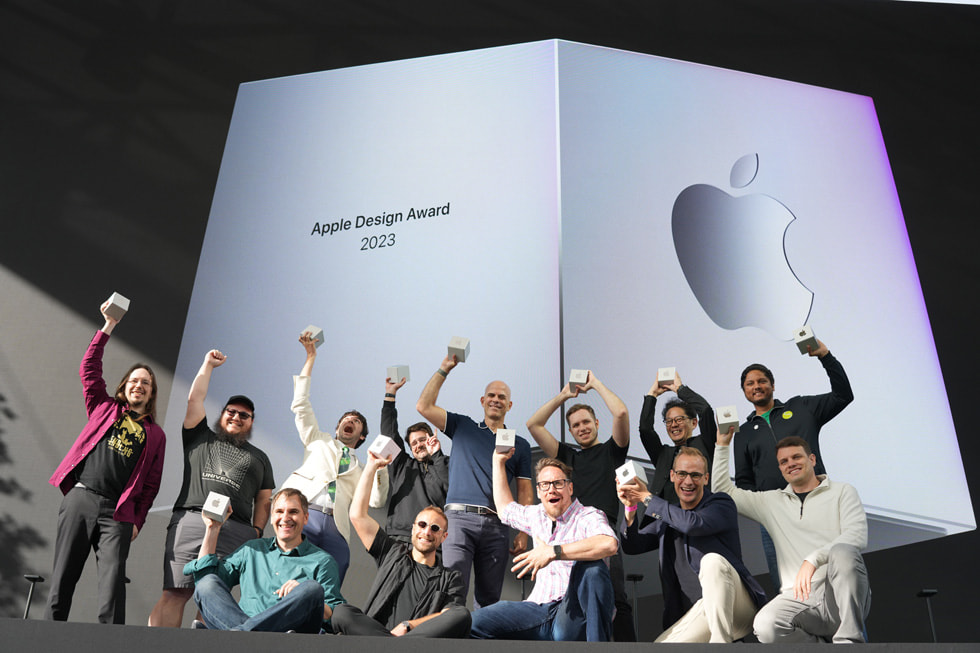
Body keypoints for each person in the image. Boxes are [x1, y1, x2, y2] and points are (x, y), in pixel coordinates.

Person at [46, 299, 166, 623]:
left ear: (151, 393)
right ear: (124, 387)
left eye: (146, 383)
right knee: (62, 580)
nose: (139, 385)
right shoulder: (104, 408)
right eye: (134, 380)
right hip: (80, 498)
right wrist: (108, 326)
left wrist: (138, 520)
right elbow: (89, 369)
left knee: (112, 589)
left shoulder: (155, 435)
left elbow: (151, 485)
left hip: (118, 513)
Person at [148, 349, 275, 627]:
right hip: (191, 520)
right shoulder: (199, 435)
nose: (237, 417)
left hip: (235, 529)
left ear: (251, 422)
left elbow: (264, 500)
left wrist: (256, 531)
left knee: (213, 596)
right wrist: (207, 365)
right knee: (175, 591)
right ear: (222, 414)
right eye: (232, 411)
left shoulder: (260, 457)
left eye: (245, 415)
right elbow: (195, 398)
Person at [712, 432, 870, 643]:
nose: (791, 464)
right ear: (780, 468)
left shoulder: (842, 491)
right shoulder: (771, 502)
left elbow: (856, 535)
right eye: (784, 461)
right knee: (765, 625)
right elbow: (723, 491)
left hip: (839, 593)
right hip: (800, 597)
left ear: (812, 459)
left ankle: (849, 642)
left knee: (843, 552)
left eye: (797, 457)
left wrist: (814, 559)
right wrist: (722, 444)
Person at [416, 352, 533, 608]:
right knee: (451, 592)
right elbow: (423, 406)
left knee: (489, 599)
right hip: (459, 520)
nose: (496, 400)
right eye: (491, 395)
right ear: (482, 400)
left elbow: (525, 492)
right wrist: (445, 367)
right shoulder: (462, 426)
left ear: (509, 405)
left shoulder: (520, 444)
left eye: (502, 397)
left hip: (498, 524)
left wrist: (523, 531)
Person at [525, 369, 634, 641]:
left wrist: (595, 383)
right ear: (571, 431)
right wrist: (563, 395)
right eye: (575, 425)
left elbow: (620, 413)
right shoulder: (567, 457)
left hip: (601, 533)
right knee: (569, 602)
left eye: (586, 422)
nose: (582, 428)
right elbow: (533, 425)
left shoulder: (612, 451)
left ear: (597, 423)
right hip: (567, 532)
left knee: (615, 599)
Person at [736, 339, 853, 587]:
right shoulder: (743, 433)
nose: (757, 386)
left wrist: (825, 356)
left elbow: (843, 395)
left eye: (761, 381)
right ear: (745, 392)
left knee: (839, 581)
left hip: (818, 503)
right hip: (776, 519)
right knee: (790, 590)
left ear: (772, 385)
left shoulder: (800, 407)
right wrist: (765, 508)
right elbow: (744, 481)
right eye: (750, 383)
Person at [617, 447, 766, 642]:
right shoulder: (667, 517)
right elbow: (633, 545)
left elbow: (691, 524)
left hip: (738, 607)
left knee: (712, 561)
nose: (688, 481)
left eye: (695, 475)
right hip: (697, 613)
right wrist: (630, 507)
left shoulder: (721, 504)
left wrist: (647, 497)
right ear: (672, 476)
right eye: (682, 474)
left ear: (706, 478)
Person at [469, 453, 619, 641]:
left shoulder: (588, 515)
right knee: (471, 623)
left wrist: (554, 551)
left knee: (592, 569)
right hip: (537, 609)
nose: (551, 490)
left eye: (558, 483)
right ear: (539, 492)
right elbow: (504, 508)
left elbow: (608, 544)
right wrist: (498, 462)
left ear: (570, 488)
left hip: (571, 614)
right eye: (545, 485)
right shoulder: (536, 515)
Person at [278, 332, 387, 585]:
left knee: (330, 582)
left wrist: (379, 467)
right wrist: (310, 357)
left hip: (336, 527)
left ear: (361, 437)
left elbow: (378, 500)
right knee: (291, 575)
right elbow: (300, 403)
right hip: (304, 515)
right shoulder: (318, 439)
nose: (350, 421)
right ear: (338, 428)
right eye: (346, 419)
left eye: (356, 421)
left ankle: (320, 626)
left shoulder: (363, 467)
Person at [331, 451, 470, 637]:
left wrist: (409, 625)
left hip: (414, 642)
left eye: (435, 528)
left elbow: (451, 615)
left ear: (443, 537)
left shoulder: (451, 578)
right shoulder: (392, 552)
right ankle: (388, 645)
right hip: (372, 633)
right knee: (342, 612)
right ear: (413, 529)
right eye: (422, 525)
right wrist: (371, 467)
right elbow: (357, 515)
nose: (427, 532)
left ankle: (390, 645)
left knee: (461, 614)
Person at [184, 488, 344, 632]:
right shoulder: (251, 549)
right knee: (207, 583)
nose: (285, 518)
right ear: (272, 517)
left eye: (293, 512)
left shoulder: (323, 561)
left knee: (312, 589)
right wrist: (213, 528)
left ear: (306, 517)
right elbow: (205, 583)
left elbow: (332, 615)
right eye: (279, 511)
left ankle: (238, 635)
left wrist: (303, 592)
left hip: (291, 635)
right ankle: (246, 636)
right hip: (242, 627)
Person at [379, 375, 449, 544]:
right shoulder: (403, 465)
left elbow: (449, 487)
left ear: (432, 439)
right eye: (414, 443)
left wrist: (437, 455)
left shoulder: (446, 463)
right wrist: (390, 395)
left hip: (432, 539)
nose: (418, 445)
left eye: (422, 440)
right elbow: (389, 433)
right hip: (400, 536)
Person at [637, 369, 716, 505]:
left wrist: (680, 389)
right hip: (663, 520)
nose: (673, 425)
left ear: (694, 422)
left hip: (697, 518)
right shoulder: (663, 455)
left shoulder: (705, 443)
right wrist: (652, 394)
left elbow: (705, 410)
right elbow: (645, 429)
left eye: (679, 419)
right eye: (669, 421)